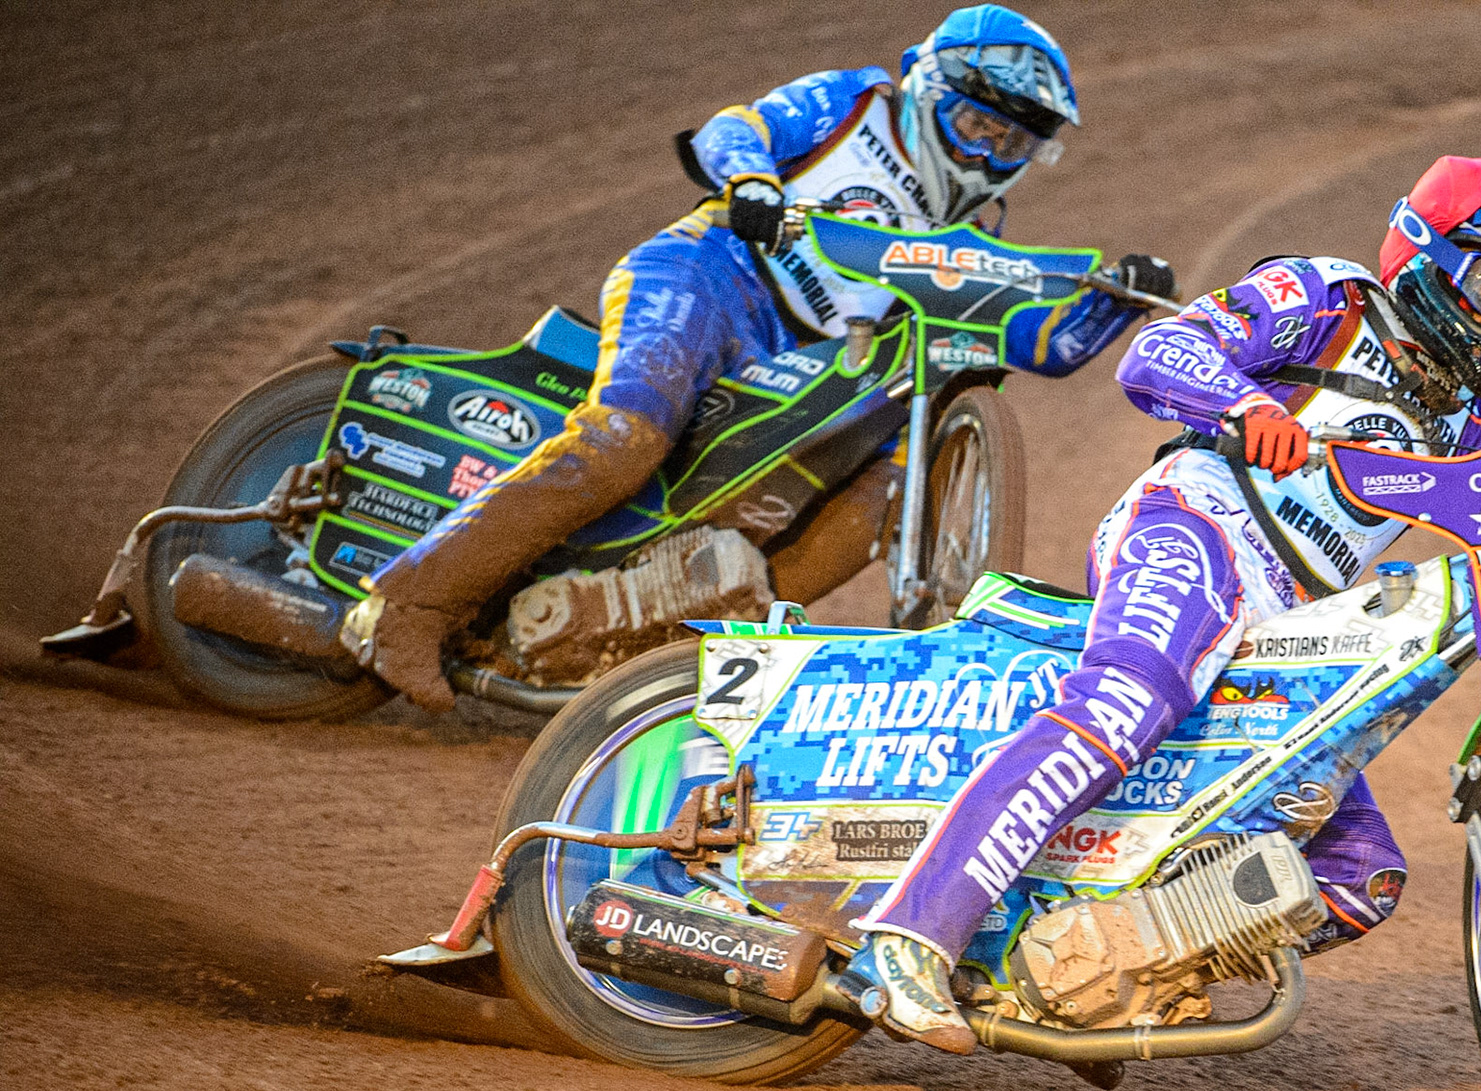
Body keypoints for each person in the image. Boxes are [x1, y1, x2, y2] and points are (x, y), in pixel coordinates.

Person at [847, 155, 1481, 1054]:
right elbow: (1161, 350)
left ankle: (1094, 971)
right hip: (1195, 526)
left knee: (1359, 878)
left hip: (1296, 626)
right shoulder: (1328, 300)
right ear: (1431, 259)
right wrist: (1241, 405)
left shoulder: (1476, 421)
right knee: (1125, 699)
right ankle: (908, 939)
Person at [340, 5, 1174, 712]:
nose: (989, 155)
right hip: (708, 278)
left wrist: (1118, 300)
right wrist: (752, 183)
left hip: (803, 361)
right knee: (626, 437)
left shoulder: (975, 234)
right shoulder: (857, 104)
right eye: (977, 125)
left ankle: (637, 663)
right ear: (929, 92)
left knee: (869, 512)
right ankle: (406, 603)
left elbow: (1039, 343)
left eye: (1014, 145)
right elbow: (735, 130)